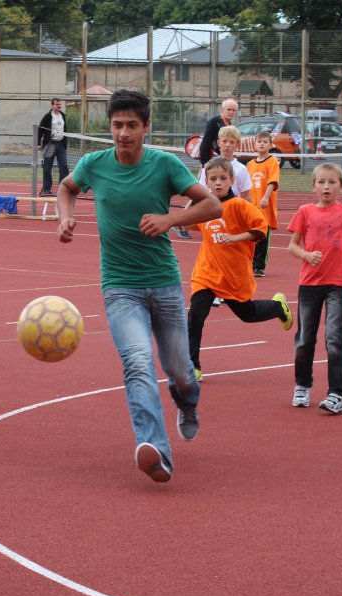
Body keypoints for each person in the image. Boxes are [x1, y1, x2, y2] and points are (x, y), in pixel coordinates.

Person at [55, 89, 222, 484]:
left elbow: (212, 205)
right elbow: (66, 188)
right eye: (117, 125)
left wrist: (169, 220)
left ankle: (189, 403)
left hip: (163, 283)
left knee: (180, 371)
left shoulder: (164, 165)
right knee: (137, 363)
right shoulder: (94, 164)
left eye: (132, 125)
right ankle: (155, 451)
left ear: (146, 126)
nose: (123, 133)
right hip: (120, 286)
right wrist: (65, 219)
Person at [186, 157, 293, 381]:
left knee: (248, 315)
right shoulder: (205, 208)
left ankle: (278, 306)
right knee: (196, 315)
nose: (218, 183)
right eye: (212, 179)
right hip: (206, 273)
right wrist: (192, 199)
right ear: (206, 182)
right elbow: (186, 223)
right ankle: (192, 366)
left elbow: (260, 230)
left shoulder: (240, 206)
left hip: (234, 275)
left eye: (223, 178)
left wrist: (235, 238)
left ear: (232, 180)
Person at [287, 162, 342, 415]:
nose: (326, 187)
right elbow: (292, 246)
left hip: (336, 284)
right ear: (314, 186)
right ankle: (302, 385)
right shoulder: (304, 212)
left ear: (341, 186)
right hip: (309, 284)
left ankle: (336, 393)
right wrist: (306, 255)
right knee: (304, 340)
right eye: (321, 182)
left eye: (332, 182)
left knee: (334, 338)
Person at [177, 98, 239, 239]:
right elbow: (205, 143)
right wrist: (205, 163)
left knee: (204, 195)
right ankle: (181, 222)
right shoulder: (214, 122)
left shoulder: (229, 125)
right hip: (209, 165)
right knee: (200, 195)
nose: (230, 112)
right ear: (222, 110)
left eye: (233, 110)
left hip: (219, 165)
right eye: (228, 109)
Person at [246, 131, 281, 277]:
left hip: (264, 207)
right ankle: (249, 264)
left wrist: (265, 197)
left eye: (265, 142)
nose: (262, 144)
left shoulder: (272, 161)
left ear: (270, 145)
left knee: (263, 236)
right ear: (254, 145)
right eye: (259, 141)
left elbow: (272, 182)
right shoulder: (250, 164)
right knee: (250, 236)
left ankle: (259, 266)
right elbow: (246, 185)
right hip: (252, 206)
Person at [37, 98, 69, 197]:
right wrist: (38, 143)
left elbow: (65, 129)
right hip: (50, 144)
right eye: (57, 104)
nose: (59, 106)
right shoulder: (48, 116)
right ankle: (47, 189)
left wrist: (65, 143)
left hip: (60, 145)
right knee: (47, 167)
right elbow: (40, 130)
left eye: (60, 104)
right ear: (52, 105)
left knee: (63, 166)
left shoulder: (63, 116)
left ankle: (63, 189)